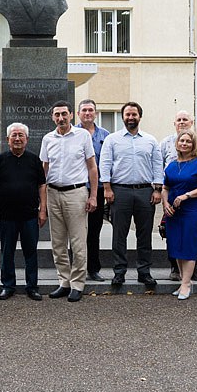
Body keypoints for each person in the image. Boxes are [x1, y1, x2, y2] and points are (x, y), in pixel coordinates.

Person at [98, 102, 164, 291]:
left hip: (145, 192)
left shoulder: (150, 140)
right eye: (127, 114)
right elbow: (105, 164)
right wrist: (107, 188)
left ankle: (144, 272)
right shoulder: (112, 139)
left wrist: (158, 189)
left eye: (134, 114)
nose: (131, 117)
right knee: (119, 234)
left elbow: (157, 166)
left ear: (140, 117)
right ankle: (119, 272)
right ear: (123, 117)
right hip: (120, 191)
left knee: (145, 234)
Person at [39, 100, 98, 302]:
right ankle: (64, 281)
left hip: (76, 194)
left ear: (71, 115)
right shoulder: (48, 139)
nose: (61, 118)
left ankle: (77, 284)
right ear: (53, 117)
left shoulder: (83, 136)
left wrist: (93, 195)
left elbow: (92, 168)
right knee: (58, 243)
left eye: (64, 114)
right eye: (57, 115)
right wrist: (42, 202)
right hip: (53, 193)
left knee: (78, 243)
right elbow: (44, 170)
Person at [0, 122, 47, 301]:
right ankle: (8, 286)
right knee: (7, 252)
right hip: (6, 216)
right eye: (14, 135)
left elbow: (42, 185)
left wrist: (43, 210)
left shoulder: (34, 160)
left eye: (21, 135)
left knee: (31, 252)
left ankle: (32, 286)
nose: (18, 138)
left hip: (29, 215)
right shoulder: (0, 159)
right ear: (7, 139)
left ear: (27, 139)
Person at [159, 110, 197, 282]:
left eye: (185, 119)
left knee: (194, 234)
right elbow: (161, 172)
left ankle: (193, 269)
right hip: (172, 197)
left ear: (191, 122)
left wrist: (190, 192)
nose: (182, 122)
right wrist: (165, 201)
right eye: (178, 120)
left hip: (193, 199)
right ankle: (176, 269)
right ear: (174, 123)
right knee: (173, 235)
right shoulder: (165, 143)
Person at [77, 99, 110, 282]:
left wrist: (106, 188)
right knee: (76, 232)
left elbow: (107, 164)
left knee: (94, 230)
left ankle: (93, 268)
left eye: (91, 110)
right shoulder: (72, 133)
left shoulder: (105, 135)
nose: (88, 113)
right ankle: (78, 268)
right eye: (84, 110)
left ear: (95, 113)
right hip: (76, 189)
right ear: (78, 113)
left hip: (96, 190)